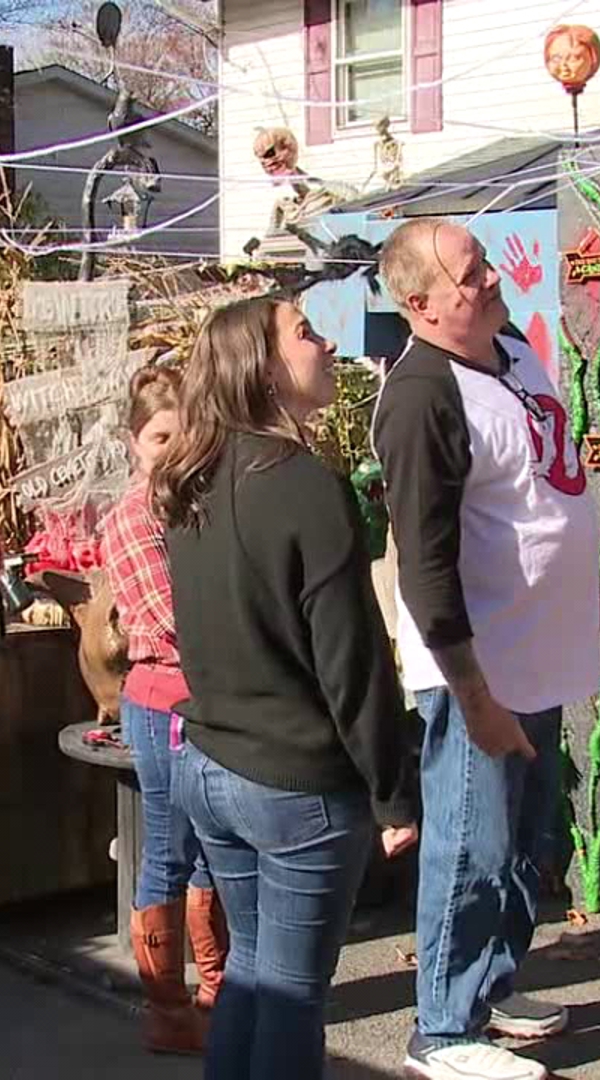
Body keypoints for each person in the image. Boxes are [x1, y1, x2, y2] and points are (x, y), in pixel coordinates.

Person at [152, 297, 420, 1080]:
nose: (328, 342)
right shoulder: (304, 485)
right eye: (305, 332)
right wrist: (393, 792)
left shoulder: (190, 478)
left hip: (213, 767)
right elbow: (353, 660)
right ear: (263, 368)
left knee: (254, 974)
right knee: (293, 995)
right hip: (297, 784)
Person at [374, 219, 600, 1080]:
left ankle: (490, 988)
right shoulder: (419, 397)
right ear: (422, 304)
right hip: (479, 669)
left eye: (484, 265)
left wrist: (590, 584)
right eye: (470, 275)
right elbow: (425, 567)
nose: (490, 280)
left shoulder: (510, 350)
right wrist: (473, 694)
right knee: (469, 843)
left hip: (541, 651)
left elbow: (548, 481)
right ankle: (441, 1027)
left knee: (521, 837)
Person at [98, 363, 229, 1055]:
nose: (173, 451)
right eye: (159, 438)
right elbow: (170, 617)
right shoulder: (133, 517)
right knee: (170, 848)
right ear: (134, 442)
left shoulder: (201, 505)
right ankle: (168, 1010)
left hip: (212, 698)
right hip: (165, 698)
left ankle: (218, 989)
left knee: (212, 848)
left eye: (185, 437)